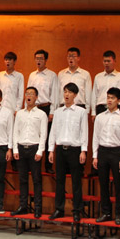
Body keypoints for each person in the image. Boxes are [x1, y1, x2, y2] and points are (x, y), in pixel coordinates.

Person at [48, 83, 89, 222]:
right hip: (60, 149)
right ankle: (59, 209)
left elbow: (84, 132)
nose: (67, 94)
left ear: (75, 95)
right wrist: (51, 150)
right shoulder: (58, 112)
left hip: (74, 150)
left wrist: (83, 151)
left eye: (70, 92)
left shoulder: (81, 112)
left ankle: (77, 210)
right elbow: (53, 131)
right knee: (59, 181)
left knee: (76, 181)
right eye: (65, 91)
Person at [92, 87, 120, 225]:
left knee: (118, 184)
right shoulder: (100, 117)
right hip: (103, 151)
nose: (109, 100)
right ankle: (106, 212)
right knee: (103, 184)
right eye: (108, 97)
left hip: (116, 152)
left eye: (112, 98)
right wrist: (95, 156)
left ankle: (119, 214)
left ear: (118, 100)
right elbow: (96, 137)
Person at [11, 86, 48, 219]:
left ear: (36, 97)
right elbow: (15, 132)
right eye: (27, 93)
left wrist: (40, 150)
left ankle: (38, 208)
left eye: (32, 94)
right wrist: (15, 149)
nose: (29, 96)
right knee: (22, 179)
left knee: (36, 180)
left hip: (34, 148)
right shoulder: (20, 113)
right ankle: (23, 206)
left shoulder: (41, 114)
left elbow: (43, 134)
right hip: (21, 148)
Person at [27, 49, 61, 171]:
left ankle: (48, 165)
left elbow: (55, 94)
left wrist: (52, 112)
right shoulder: (32, 75)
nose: (39, 61)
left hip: (46, 108)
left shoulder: (52, 75)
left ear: (46, 60)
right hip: (34, 107)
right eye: (37, 58)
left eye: (41, 58)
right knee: (33, 135)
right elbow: (28, 93)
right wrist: (28, 108)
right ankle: (32, 164)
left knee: (47, 137)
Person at [91, 50, 120, 118]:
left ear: (114, 61)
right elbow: (94, 95)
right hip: (101, 108)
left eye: (108, 61)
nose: (106, 63)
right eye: (104, 61)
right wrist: (93, 112)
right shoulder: (98, 77)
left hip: (116, 108)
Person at [58, 47, 93, 114]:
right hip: (64, 107)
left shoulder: (85, 74)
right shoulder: (61, 74)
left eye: (73, 56)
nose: (71, 58)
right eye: (69, 56)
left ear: (78, 58)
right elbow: (58, 93)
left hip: (79, 107)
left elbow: (88, 93)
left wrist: (87, 110)